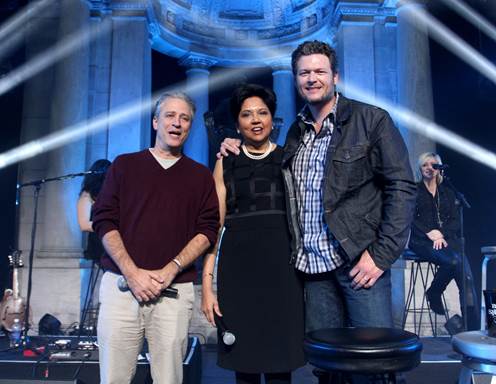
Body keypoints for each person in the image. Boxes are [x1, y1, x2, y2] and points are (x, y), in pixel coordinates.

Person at [220, 40, 417, 332]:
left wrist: (381, 255)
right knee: (325, 365)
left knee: (372, 363)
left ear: (335, 77)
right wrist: (237, 142)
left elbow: (401, 186)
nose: (312, 78)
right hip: (312, 271)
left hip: (358, 264)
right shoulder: (295, 133)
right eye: (303, 73)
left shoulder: (371, 120)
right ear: (296, 79)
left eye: (319, 71)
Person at [91, 92, 220, 384]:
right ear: (155, 122)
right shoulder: (124, 166)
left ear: (190, 126)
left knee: (169, 380)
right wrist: (132, 272)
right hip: (121, 288)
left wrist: (171, 269)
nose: (177, 123)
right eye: (170, 116)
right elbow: (103, 219)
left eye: (184, 118)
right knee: (114, 379)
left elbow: (208, 229)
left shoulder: (200, 177)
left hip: (174, 293)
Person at [202, 84, 305, 384]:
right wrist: (207, 286)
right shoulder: (225, 161)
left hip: (283, 275)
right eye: (247, 115)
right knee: (244, 367)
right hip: (238, 275)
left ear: (273, 119)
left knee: (279, 367)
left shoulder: (290, 158)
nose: (256, 120)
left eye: (263, 113)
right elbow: (214, 226)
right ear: (237, 124)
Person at [409, 152, 478, 328]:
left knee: (466, 278)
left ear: (439, 169)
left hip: (447, 240)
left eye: (433, 165)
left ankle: (471, 328)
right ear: (420, 167)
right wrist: (429, 233)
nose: (429, 168)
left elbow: (455, 221)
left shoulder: (447, 192)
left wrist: (441, 233)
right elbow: (407, 217)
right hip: (422, 241)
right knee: (455, 262)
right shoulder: (414, 191)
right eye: (425, 165)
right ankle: (434, 292)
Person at [77, 159, 111, 260]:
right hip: (98, 242)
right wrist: (109, 225)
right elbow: (84, 225)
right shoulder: (87, 196)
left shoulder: (110, 194)